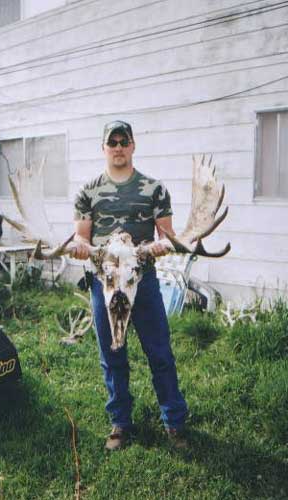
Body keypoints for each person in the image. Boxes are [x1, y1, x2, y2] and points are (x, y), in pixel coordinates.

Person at [72, 120, 188, 450]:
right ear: (104, 148)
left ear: (133, 145)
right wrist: (82, 245)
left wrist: (162, 245)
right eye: (113, 142)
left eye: (124, 141)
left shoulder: (154, 189)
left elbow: (167, 235)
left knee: (159, 351)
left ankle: (174, 422)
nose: (119, 147)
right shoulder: (88, 191)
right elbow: (82, 235)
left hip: (142, 281)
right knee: (113, 354)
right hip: (106, 283)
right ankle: (120, 424)